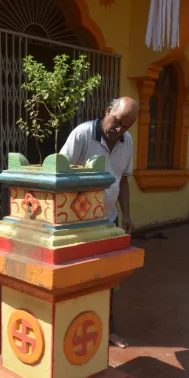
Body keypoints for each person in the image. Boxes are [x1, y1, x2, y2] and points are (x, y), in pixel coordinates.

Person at [60, 97, 138, 349]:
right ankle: (71, 325)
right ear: (108, 112)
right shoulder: (83, 135)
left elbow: (123, 181)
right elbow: (61, 175)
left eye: (127, 126)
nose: (120, 130)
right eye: (117, 122)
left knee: (108, 276)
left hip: (109, 221)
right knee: (79, 275)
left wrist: (126, 215)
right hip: (80, 224)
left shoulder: (127, 143)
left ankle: (107, 328)